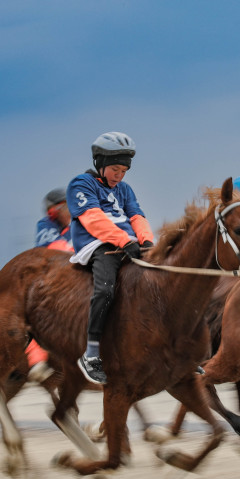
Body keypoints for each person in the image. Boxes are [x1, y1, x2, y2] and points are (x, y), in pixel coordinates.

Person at [67, 131, 155, 385]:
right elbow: (93, 220)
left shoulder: (125, 189)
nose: (119, 175)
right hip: (98, 244)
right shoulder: (81, 184)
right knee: (105, 291)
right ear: (100, 163)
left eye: (124, 171)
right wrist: (124, 241)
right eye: (115, 169)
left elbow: (137, 216)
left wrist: (146, 240)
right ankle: (92, 353)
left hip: (127, 244)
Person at [25, 187, 74, 381]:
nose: (72, 210)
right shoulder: (45, 225)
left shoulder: (76, 225)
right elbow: (57, 249)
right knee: (38, 313)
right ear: (55, 210)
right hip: (49, 278)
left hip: (73, 275)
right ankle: (37, 360)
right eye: (67, 206)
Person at [34, 187, 74, 253]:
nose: (70, 211)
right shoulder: (46, 224)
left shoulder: (75, 226)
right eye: (65, 207)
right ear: (53, 212)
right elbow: (53, 248)